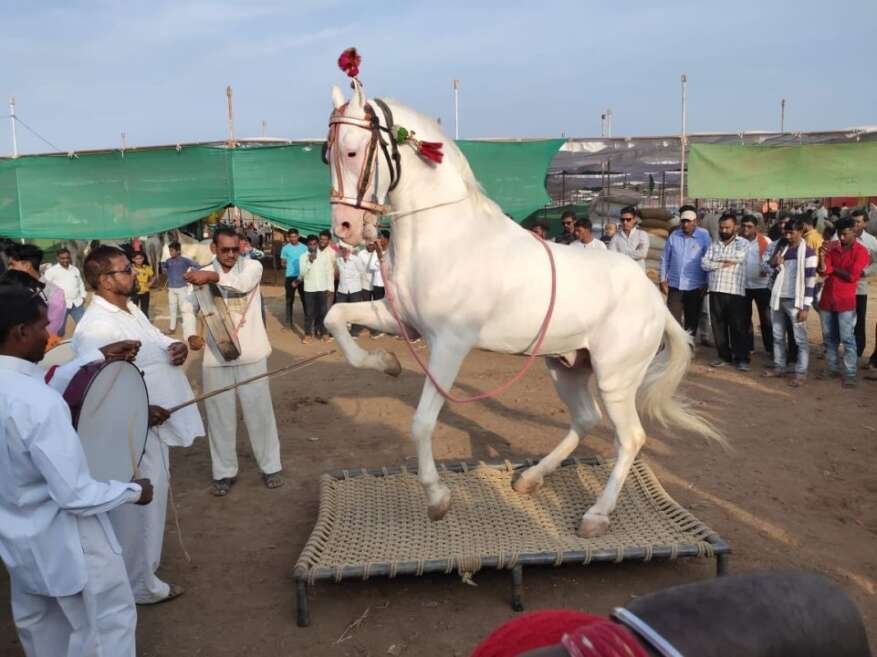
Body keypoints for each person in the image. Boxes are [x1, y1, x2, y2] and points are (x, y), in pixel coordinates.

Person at [0, 286, 154, 657]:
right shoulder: (38, 403)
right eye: (43, 326)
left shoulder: (26, 390)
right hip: (72, 545)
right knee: (106, 629)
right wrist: (134, 491)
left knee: (42, 633)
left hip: (18, 544)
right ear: (20, 332)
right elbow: (76, 495)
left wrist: (95, 357)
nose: (50, 335)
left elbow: (42, 381)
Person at [73, 245, 203, 605]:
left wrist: (175, 345)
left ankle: (142, 572)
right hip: (130, 430)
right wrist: (139, 413)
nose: (134, 273)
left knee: (152, 500)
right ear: (104, 280)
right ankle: (138, 583)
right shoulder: (96, 327)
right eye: (125, 269)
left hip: (151, 422)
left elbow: (156, 339)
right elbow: (95, 387)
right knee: (138, 507)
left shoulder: (128, 309)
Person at [184, 227, 284, 496]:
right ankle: (224, 472)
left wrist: (210, 276)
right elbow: (189, 306)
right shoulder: (202, 272)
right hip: (216, 357)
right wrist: (191, 334)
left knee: (260, 413)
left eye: (234, 249)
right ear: (213, 249)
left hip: (252, 353)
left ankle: (271, 466)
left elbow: (240, 284)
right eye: (224, 249)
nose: (230, 254)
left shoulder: (252, 267)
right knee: (219, 417)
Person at [763, 218, 817, 386]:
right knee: (778, 336)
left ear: (800, 231)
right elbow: (770, 267)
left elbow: (810, 281)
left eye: (791, 233)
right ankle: (779, 367)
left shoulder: (808, 252)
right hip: (778, 297)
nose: (787, 236)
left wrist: (805, 307)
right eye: (785, 232)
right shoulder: (782, 249)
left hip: (796, 301)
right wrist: (775, 262)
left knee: (800, 339)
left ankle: (801, 373)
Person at [816, 217, 869, 387]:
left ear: (854, 232)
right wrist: (821, 257)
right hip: (828, 299)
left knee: (847, 338)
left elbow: (852, 276)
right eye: (839, 234)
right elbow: (822, 272)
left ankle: (850, 373)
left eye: (845, 234)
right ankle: (833, 368)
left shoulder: (861, 251)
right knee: (829, 338)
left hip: (845, 301)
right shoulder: (832, 247)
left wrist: (831, 269)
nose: (842, 237)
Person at [701, 213, 750, 370]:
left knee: (737, 326)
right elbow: (704, 263)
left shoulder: (743, 243)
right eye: (721, 227)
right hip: (716, 290)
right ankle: (724, 356)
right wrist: (722, 264)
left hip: (735, 291)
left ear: (735, 227)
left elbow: (739, 257)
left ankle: (741, 358)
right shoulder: (714, 244)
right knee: (718, 326)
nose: (724, 230)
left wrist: (716, 260)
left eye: (727, 227)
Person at [659, 206, 712, 336]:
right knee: (673, 320)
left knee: (691, 321)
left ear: (695, 222)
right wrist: (662, 279)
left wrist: (706, 282)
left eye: (688, 221)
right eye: (683, 221)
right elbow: (665, 258)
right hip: (675, 285)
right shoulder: (674, 236)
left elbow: (709, 259)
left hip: (695, 286)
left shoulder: (704, 236)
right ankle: (675, 345)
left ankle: (689, 345)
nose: (685, 224)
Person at [6, 244, 66, 336]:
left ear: (27, 265)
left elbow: (51, 331)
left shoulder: (55, 293)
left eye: (12, 264)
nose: (9, 269)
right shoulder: (10, 290)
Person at [740, 215, 773, 355]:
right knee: (745, 318)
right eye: (743, 226)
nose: (746, 229)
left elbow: (772, 261)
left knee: (766, 319)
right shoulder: (737, 241)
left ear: (756, 227)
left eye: (749, 226)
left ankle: (770, 348)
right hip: (743, 285)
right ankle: (748, 347)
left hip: (763, 286)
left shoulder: (766, 241)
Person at [851, 209, 877, 361]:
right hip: (841, 287)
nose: (855, 225)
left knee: (859, 321)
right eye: (853, 221)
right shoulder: (842, 236)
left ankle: (858, 352)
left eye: (858, 222)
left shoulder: (872, 242)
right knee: (842, 320)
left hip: (860, 288)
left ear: (865, 223)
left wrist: (865, 272)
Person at [43, 247, 86, 336]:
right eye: (62, 258)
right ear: (58, 258)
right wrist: (50, 303)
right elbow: (44, 287)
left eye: (67, 258)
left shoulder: (74, 269)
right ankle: (56, 343)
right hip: (60, 306)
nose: (65, 260)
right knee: (59, 331)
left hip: (77, 303)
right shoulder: (51, 271)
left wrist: (83, 296)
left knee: (84, 326)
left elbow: (80, 283)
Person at [299, 235, 331, 343]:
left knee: (323, 312)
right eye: (310, 244)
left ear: (317, 244)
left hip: (322, 288)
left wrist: (329, 287)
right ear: (307, 245)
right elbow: (302, 273)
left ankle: (324, 333)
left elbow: (328, 272)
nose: (312, 246)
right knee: (309, 313)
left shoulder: (324, 256)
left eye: (314, 244)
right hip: (309, 289)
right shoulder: (303, 257)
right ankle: (308, 334)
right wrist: (310, 261)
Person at [280, 229, 307, 328]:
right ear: (288, 237)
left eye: (295, 236)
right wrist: (286, 265)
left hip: (302, 277)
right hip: (290, 277)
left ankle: (307, 322)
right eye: (291, 237)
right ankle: (288, 323)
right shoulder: (285, 248)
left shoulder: (305, 248)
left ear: (298, 236)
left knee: (305, 299)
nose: (293, 239)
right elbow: (283, 262)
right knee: (289, 300)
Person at [130, 251, 156, 317]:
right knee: (134, 310)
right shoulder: (130, 268)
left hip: (145, 291)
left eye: (140, 258)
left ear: (143, 258)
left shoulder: (147, 268)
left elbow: (153, 277)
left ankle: (145, 322)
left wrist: (150, 283)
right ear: (133, 259)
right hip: (134, 292)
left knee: (145, 310)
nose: (139, 260)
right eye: (137, 259)